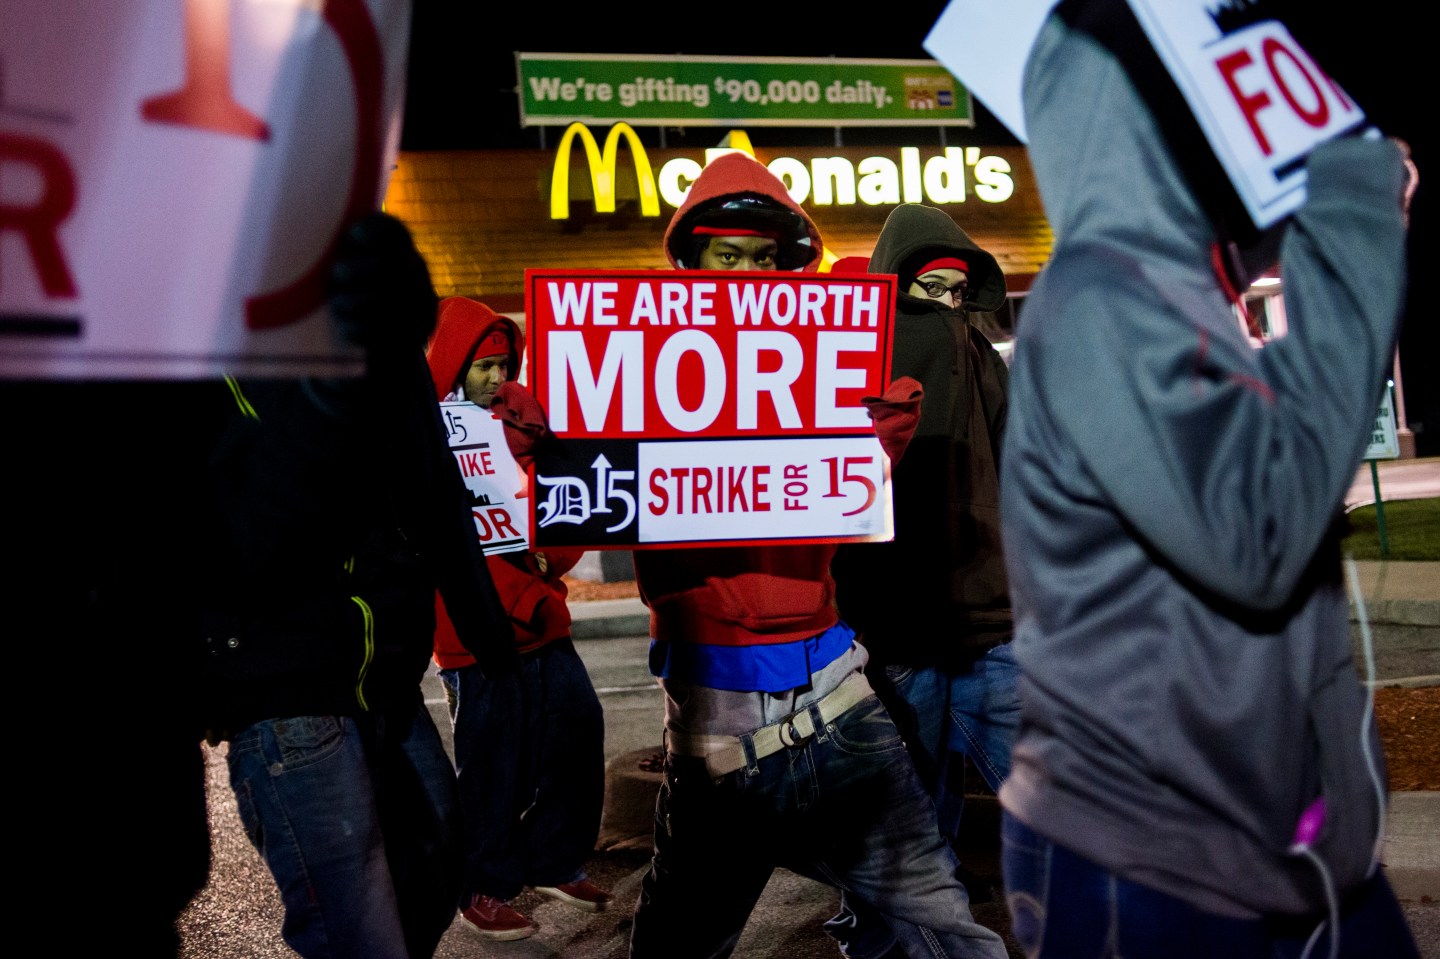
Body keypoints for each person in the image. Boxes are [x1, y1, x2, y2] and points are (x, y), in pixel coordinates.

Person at [495, 149, 1006, 959]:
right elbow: (558, 548)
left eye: (764, 259)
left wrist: (877, 445)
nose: (746, 276)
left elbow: (844, 519)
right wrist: (541, 462)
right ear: (688, 263)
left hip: (841, 705)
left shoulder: (819, 370)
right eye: (727, 256)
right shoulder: (630, 380)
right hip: (715, 732)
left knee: (946, 933)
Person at [997, 1, 1422, 956]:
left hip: (1275, 847)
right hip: (1150, 866)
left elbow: (1278, 452)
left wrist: (1333, 223)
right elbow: (1258, 532)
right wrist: (1350, 217)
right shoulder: (1100, 298)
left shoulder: (1166, 296)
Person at [198, 213, 520, 959]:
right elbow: (236, 526)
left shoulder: (381, 335)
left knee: (435, 869)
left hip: (386, 681)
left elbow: (437, 495)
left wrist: (491, 642)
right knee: (356, 928)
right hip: (284, 688)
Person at [827, 204, 1019, 953]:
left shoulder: (985, 360)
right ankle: (876, 939)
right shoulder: (854, 356)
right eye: (927, 289)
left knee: (1062, 804)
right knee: (910, 828)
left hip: (990, 626)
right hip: (898, 633)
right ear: (891, 284)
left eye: (955, 292)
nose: (943, 306)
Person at [425, 295, 611, 941]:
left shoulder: (526, 422)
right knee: (492, 763)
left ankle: (553, 857)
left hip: (542, 620)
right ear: (453, 366)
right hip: (472, 633)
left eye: (504, 364)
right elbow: (433, 540)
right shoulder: (425, 437)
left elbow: (569, 504)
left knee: (578, 732)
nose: (497, 378)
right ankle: (484, 884)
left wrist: (551, 556)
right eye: (484, 366)